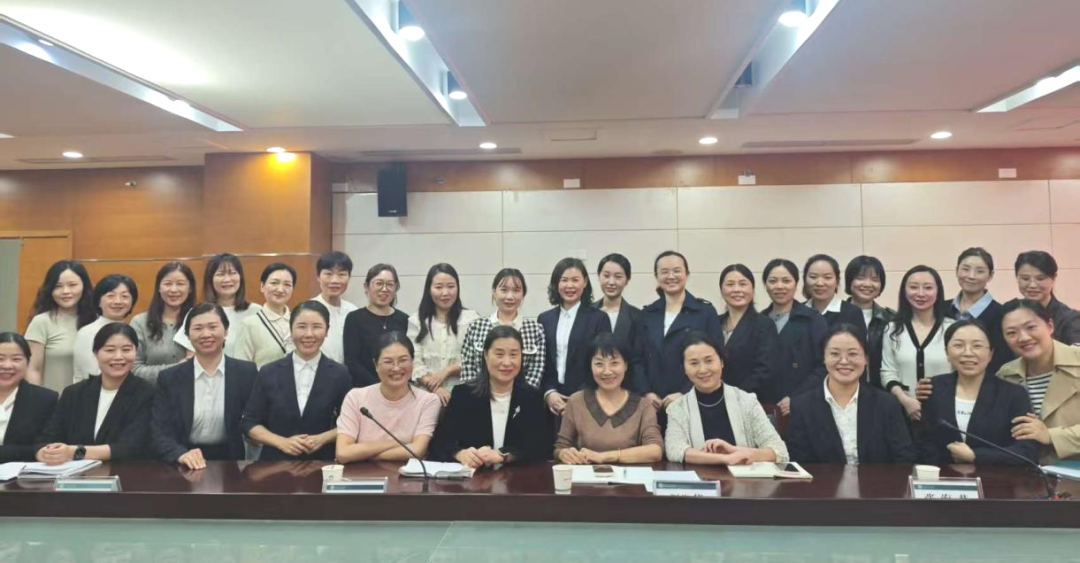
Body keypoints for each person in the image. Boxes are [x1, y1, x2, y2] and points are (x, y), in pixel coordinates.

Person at [787, 325, 916, 465]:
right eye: (835, 354)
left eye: (853, 354)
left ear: (866, 359)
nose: (844, 361)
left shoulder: (887, 404)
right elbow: (801, 464)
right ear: (824, 357)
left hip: (878, 479)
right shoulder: (802, 406)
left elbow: (904, 459)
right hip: (822, 480)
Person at [242, 301, 353, 461]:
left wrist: (322, 439)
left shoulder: (340, 373)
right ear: (291, 329)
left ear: (327, 330)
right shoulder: (269, 372)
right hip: (274, 462)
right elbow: (249, 422)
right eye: (301, 327)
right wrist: (282, 442)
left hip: (322, 462)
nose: (309, 334)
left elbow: (351, 422)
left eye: (317, 327)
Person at [151, 303, 258, 469]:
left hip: (231, 461)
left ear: (226, 331)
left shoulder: (246, 372)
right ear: (187, 335)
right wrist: (180, 454)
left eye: (213, 327)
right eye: (198, 328)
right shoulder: (170, 378)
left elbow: (255, 420)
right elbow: (159, 430)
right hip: (184, 458)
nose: (206, 334)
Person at [918, 319, 1038, 466]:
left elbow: (1026, 451)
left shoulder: (1014, 394)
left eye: (977, 346)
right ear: (947, 353)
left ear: (990, 354)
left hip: (996, 478)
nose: (968, 353)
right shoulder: (933, 388)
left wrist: (977, 456)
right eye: (958, 345)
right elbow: (924, 443)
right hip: (944, 477)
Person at [431, 325, 553, 467]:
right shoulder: (463, 394)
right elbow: (440, 443)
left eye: (514, 355)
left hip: (517, 477)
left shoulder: (532, 397)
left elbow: (541, 447)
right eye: (499, 354)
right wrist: (460, 454)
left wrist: (504, 456)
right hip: (475, 477)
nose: (507, 362)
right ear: (485, 354)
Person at [34, 323, 154, 464]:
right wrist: (44, 453)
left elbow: (131, 447)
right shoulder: (74, 393)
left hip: (124, 472)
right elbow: (47, 438)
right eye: (110, 350)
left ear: (136, 352)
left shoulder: (146, 393)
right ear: (96, 353)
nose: (118, 357)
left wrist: (73, 452)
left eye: (126, 350)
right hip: (73, 474)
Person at [664, 331, 788, 464]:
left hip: (744, 476)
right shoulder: (678, 408)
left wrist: (734, 450)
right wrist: (725, 459)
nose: (703, 369)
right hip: (700, 477)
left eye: (709, 361)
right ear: (684, 369)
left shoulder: (747, 401)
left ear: (721, 362)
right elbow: (674, 450)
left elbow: (779, 451)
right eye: (694, 363)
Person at [554, 334, 662, 464]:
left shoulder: (643, 405)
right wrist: (563, 454)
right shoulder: (576, 401)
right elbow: (560, 447)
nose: (607, 371)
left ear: (626, 365)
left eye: (614, 363)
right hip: (586, 475)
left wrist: (604, 457)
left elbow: (655, 450)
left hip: (629, 476)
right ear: (590, 366)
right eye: (599, 364)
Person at [336, 332, 441, 463]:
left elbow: (417, 450)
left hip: (409, 474)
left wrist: (363, 454)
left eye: (403, 360)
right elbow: (343, 453)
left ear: (413, 362)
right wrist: (398, 443)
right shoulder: (356, 397)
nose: (396, 368)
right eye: (388, 362)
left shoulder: (428, 401)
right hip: (362, 473)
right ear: (375, 365)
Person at [996, 300, 1080, 462]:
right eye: (1011, 333)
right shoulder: (1005, 374)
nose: (1023, 338)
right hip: (1025, 472)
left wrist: (1051, 435)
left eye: (1031, 327)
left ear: (1050, 326)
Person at [638, 251, 722, 411]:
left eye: (677, 271)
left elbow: (716, 358)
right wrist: (646, 392)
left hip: (695, 401)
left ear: (687, 274)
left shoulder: (705, 312)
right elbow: (637, 358)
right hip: (653, 404)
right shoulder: (647, 314)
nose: (671, 276)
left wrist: (685, 392)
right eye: (664, 272)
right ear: (656, 276)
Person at [881, 266, 955, 421]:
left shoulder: (952, 328)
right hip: (902, 412)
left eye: (928, 288)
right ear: (904, 291)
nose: (920, 294)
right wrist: (905, 400)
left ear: (938, 291)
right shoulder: (892, 329)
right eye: (914, 287)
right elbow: (888, 372)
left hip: (946, 412)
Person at [540, 258, 612, 415]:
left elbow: (602, 361)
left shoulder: (599, 319)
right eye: (564, 280)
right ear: (556, 283)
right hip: (552, 401)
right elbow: (543, 362)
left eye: (575, 280)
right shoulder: (544, 319)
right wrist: (549, 392)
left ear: (584, 282)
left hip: (587, 400)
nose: (569, 285)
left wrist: (579, 398)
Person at [459, 269, 546, 389]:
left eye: (516, 290)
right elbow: (468, 368)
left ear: (523, 295)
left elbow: (536, 371)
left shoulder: (535, 330)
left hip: (522, 397)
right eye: (504, 290)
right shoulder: (476, 327)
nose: (510, 296)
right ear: (494, 292)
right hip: (479, 395)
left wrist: (516, 396)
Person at [407, 263, 479, 405]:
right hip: (425, 397)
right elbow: (413, 361)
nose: (445, 293)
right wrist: (435, 388)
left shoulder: (472, 319)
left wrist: (447, 371)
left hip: (464, 396)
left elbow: (477, 359)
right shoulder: (416, 321)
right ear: (429, 289)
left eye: (451, 286)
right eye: (439, 287)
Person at [761, 259, 827, 414]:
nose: (779, 286)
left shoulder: (813, 319)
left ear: (796, 284)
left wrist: (796, 397)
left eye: (786, 281)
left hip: (804, 404)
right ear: (765, 285)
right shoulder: (759, 320)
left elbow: (824, 365)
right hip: (765, 406)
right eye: (773, 281)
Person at [24, 260, 96, 392]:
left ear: (84, 286)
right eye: (58, 286)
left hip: (89, 400)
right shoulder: (41, 322)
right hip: (53, 400)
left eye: (72, 285)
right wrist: (36, 399)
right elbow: (33, 369)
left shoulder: (96, 320)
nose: (65, 291)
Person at [174, 253, 262, 357]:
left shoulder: (257, 312)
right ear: (210, 279)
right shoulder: (197, 313)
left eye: (232, 273)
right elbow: (191, 357)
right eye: (220, 274)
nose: (227, 279)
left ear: (240, 277)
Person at [343, 263, 409, 387]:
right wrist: (380, 387)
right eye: (379, 283)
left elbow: (408, 359)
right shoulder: (354, 318)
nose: (384, 289)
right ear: (366, 286)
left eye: (390, 284)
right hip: (364, 389)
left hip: (398, 387)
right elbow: (352, 362)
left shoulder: (404, 319)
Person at [130, 262, 196, 385]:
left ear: (190, 288)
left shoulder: (199, 320)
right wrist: (177, 369)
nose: (174, 289)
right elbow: (134, 369)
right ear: (159, 288)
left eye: (180, 284)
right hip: (152, 394)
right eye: (168, 283)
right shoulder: (139, 322)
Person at [717, 264, 778, 395]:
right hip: (714, 398)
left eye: (742, 284)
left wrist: (734, 394)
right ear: (721, 290)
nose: (736, 289)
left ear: (752, 288)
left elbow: (765, 370)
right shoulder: (715, 322)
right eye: (730, 284)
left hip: (750, 398)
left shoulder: (764, 324)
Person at [947, 248, 1009, 375]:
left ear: (990, 275)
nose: (971, 276)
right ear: (957, 270)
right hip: (943, 383)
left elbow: (1003, 360)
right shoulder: (941, 308)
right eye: (965, 269)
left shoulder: (1002, 314)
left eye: (979, 271)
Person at [0, 333, 59, 462]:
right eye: (1, 358)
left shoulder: (45, 400)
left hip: (23, 473)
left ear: (27, 363)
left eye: (16, 359)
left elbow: (44, 447)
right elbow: (32, 451)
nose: (7, 366)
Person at [72, 274, 138, 383]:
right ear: (98, 301)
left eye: (125, 296)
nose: (118, 301)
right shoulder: (88, 333)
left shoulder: (131, 331)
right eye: (111, 296)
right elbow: (92, 375)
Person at [844, 256, 895, 388]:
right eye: (860, 278)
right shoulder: (835, 316)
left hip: (881, 391)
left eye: (874, 279)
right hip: (842, 388)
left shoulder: (890, 319)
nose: (867, 284)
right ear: (849, 281)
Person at [233, 263, 296, 369]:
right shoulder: (249, 324)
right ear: (262, 286)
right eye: (274, 283)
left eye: (287, 284)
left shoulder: (298, 322)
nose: (280, 289)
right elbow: (241, 368)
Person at [1010, 251, 1080, 345]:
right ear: (1017, 277)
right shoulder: (1010, 313)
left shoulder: (1070, 319)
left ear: (1054, 277)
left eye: (1040, 278)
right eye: (1025, 278)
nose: (1032, 285)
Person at [311, 251, 358, 364]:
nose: (335, 280)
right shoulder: (307, 310)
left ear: (349, 277)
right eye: (328, 274)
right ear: (318, 276)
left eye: (342, 274)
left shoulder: (353, 311)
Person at [803, 254, 865, 333]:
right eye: (813, 277)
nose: (820, 283)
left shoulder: (852, 313)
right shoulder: (797, 311)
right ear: (805, 280)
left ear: (837, 281)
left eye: (827, 277)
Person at [594, 253, 642, 351]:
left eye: (618, 277)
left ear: (627, 280)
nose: (611, 282)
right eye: (606, 276)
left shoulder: (637, 317)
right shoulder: (586, 311)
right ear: (599, 277)